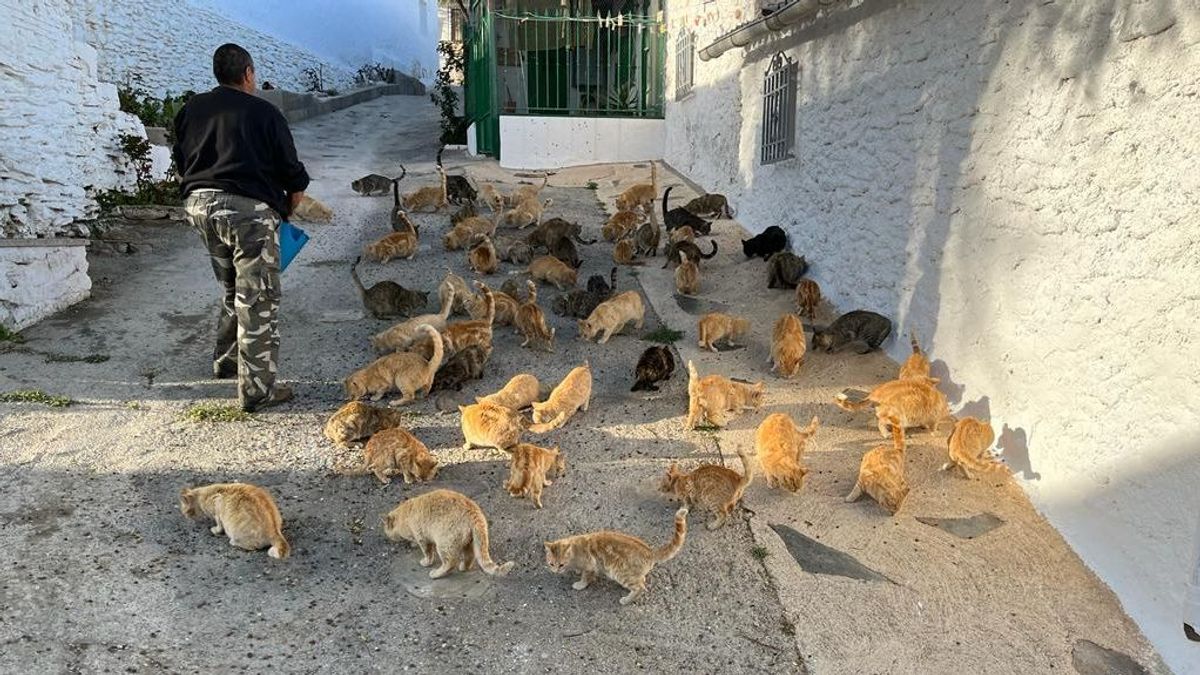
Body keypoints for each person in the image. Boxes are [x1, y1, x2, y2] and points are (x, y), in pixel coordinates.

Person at [172, 43, 309, 412]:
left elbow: (181, 160)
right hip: (248, 212)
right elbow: (290, 169)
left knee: (230, 286)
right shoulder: (264, 112)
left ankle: (227, 361)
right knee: (257, 297)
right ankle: (257, 391)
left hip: (200, 206)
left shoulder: (191, 110)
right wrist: (289, 204)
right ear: (248, 73)